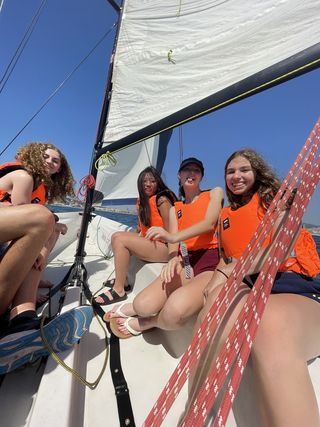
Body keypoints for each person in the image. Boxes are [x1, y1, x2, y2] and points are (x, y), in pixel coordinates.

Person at [190, 149, 320, 426]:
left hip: (296, 287)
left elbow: (279, 249)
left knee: (269, 325)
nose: (236, 176)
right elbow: (227, 257)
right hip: (253, 286)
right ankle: (195, 410)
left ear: (257, 172)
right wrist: (217, 280)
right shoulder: (226, 215)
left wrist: (235, 268)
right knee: (212, 309)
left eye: (243, 169)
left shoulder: (278, 201)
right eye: (230, 171)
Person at [106, 157, 224, 338]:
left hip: (209, 263)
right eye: (186, 170)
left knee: (173, 312)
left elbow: (209, 224)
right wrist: (172, 258)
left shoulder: (214, 193)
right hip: (185, 261)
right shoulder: (175, 208)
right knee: (142, 306)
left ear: (201, 176)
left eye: (196, 171)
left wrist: (172, 236)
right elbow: (174, 244)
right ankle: (138, 311)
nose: (191, 174)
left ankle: (150, 322)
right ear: (179, 175)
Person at [0, 141, 75, 305]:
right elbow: (23, 225)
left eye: (55, 161)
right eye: (45, 156)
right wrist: (36, 252)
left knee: (54, 228)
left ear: (59, 169)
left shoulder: (40, 186)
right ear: (34, 156)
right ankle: (24, 294)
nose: (50, 161)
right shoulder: (23, 177)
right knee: (46, 220)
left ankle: (29, 282)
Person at [95, 166, 177, 306]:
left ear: (158, 183)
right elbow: (142, 228)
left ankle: (119, 290)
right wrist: (133, 236)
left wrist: (173, 258)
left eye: (152, 181)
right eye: (144, 181)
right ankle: (124, 281)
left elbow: (173, 233)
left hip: (167, 247)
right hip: (153, 244)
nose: (148, 184)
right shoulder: (143, 202)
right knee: (119, 237)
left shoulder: (162, 200)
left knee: (119, 238)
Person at [0, 203, 55, 336]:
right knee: (41, 218)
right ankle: (23, 313)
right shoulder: (24, 180)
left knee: (48, 228)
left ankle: (23, 315)